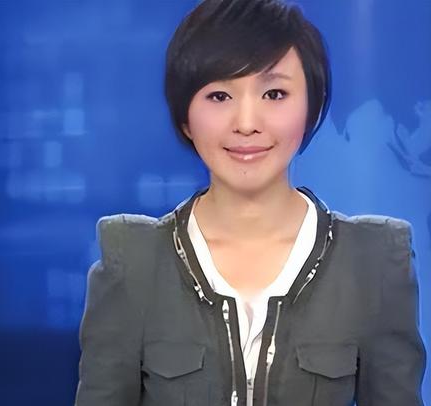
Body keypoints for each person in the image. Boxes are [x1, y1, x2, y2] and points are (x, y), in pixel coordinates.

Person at [74, 0, 427, 405]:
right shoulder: (134, 264)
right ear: (185, 117)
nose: (246, 123)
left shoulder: (372, 261)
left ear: (311, 106)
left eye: (274, 94)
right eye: (219, 96)